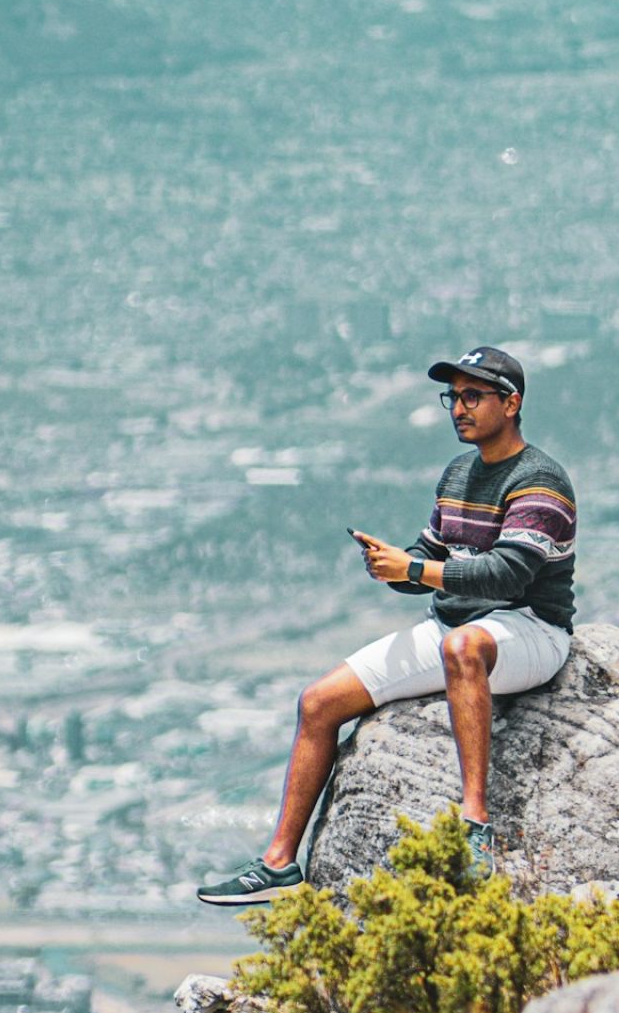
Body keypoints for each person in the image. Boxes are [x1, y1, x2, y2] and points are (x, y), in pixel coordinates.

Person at [196, 344, 577, 904]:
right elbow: (429, 556)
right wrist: (392, 568)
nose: (459, 408)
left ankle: (474, 825)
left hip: (530, 627)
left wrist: (417, 569)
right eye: (453, 397)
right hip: (453, 625)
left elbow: (508, 576)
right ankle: (279, 863)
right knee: (319, 702)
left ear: (512, 403)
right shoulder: (458, 475)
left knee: (464, 648)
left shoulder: (539, 479)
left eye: (474, 396)